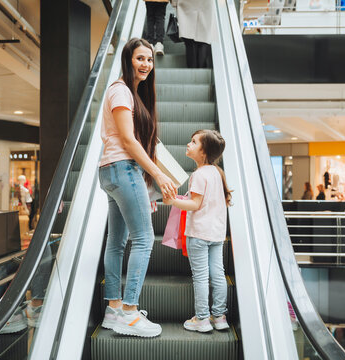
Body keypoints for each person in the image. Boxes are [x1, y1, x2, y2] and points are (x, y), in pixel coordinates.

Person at [98, 38, 177, 338]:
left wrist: (144, 188)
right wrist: (157, 175)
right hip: (122, 169)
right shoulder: (120, 91)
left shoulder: (130, 93)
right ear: (128, 59)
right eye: (140, 58)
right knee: (144, 239)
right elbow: (129, 142)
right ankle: (130, 313)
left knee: (117, 242)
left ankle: (114, 309)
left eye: (149, 59)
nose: (145, 64)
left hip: (113, 172)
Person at [163, 129, 232, 332]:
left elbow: (195, 204)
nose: (188, 144)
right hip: (216, 234)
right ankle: (219, 317)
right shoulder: (218, 173)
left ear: (204, 152)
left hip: (198, 234)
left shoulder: (199, 175)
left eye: (193, 142)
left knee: (201, 277)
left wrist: (171, 200)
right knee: (218, 274)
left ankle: (202, 319)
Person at [170, 0, 214, 68]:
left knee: (189, 38)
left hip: (187, 5)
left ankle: (193, 68)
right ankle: (201, 69)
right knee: (203, 38)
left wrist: (174, 2)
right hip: (204, 5)